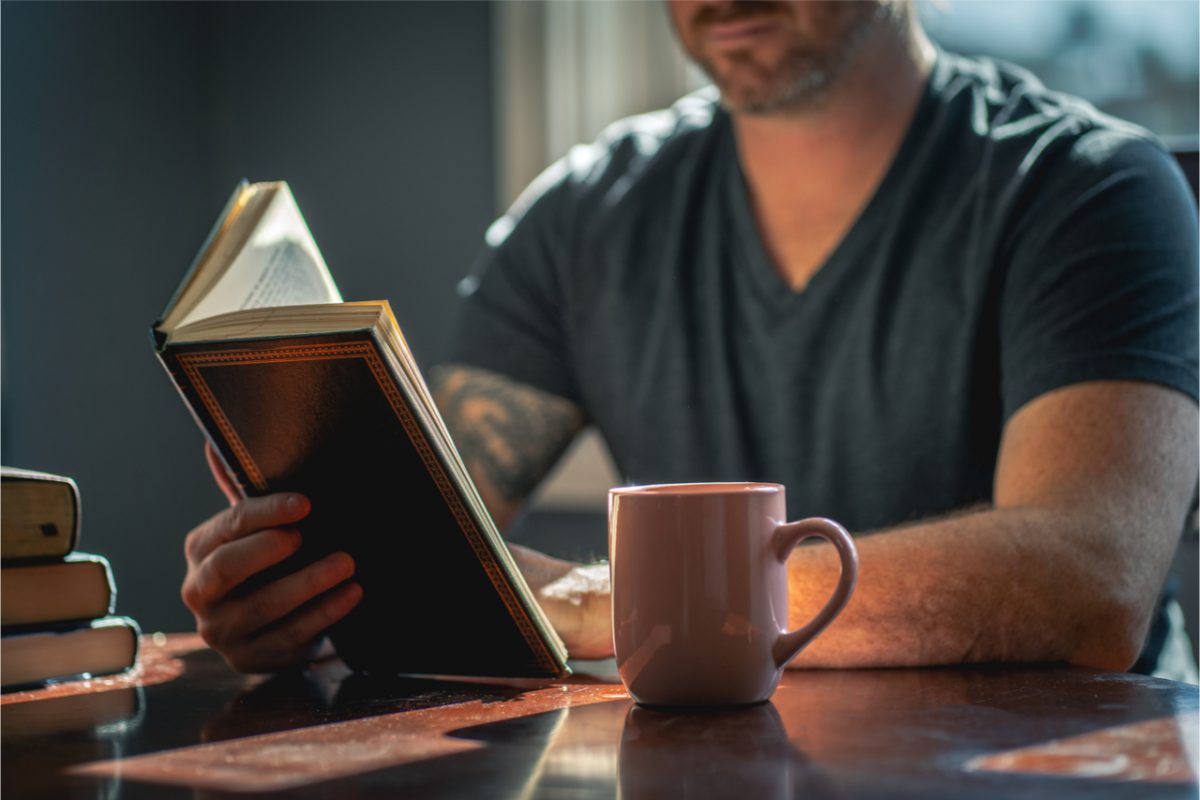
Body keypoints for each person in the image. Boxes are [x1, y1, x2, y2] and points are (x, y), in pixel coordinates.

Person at [181, 0, 1198, 677]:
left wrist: (604, 602)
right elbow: (439, 535)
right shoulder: (584, 218)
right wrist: (307, 595)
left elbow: (1092, 582)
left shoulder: (1092, 189)